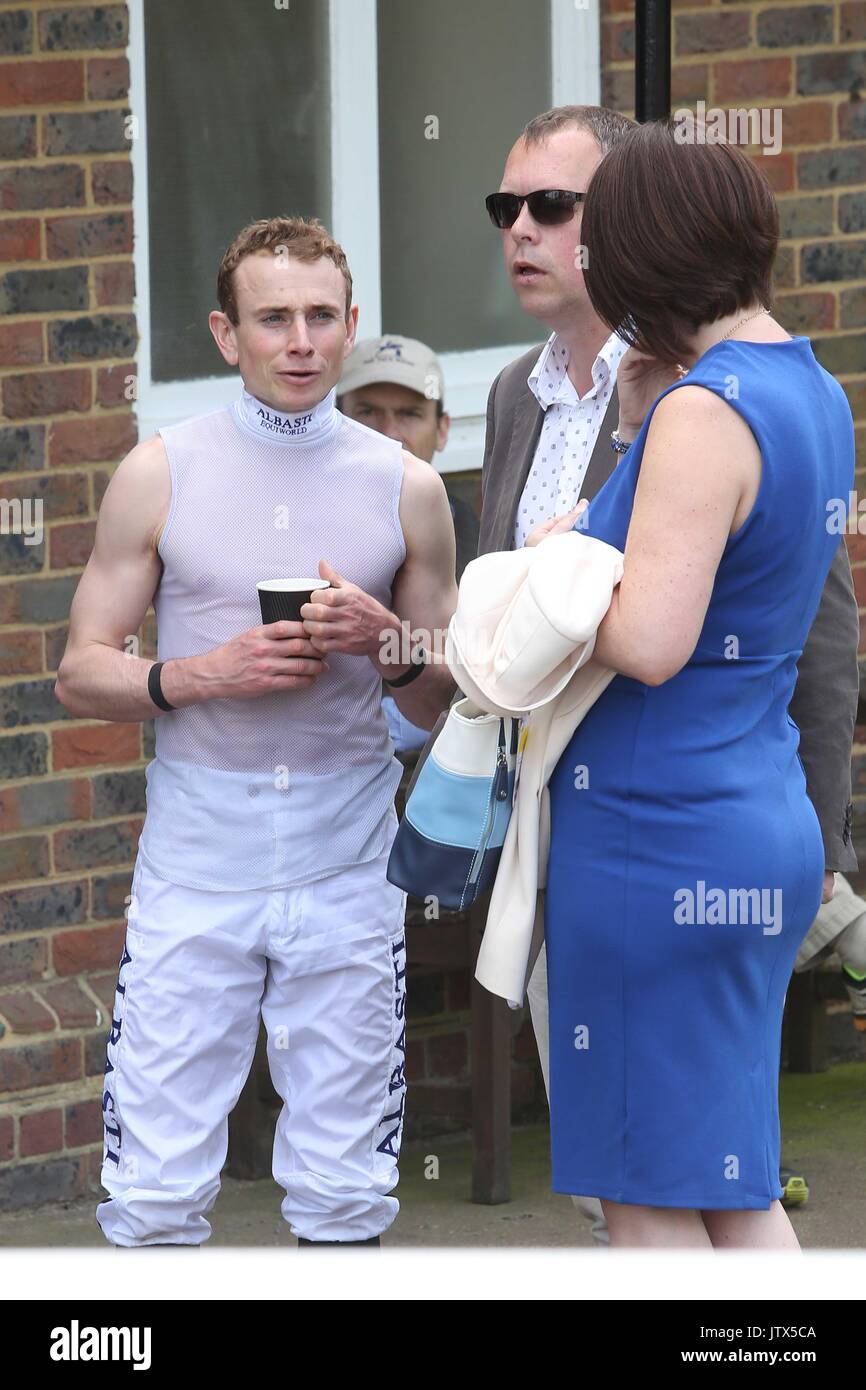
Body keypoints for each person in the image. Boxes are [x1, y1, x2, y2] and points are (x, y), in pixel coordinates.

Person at [416, 104, 859, 1247]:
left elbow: (650, 635)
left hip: (647, 836)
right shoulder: (806, 385)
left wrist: (549, 559)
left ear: (651, 250)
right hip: (745, 819)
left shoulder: (701, 413)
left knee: (646, 1203)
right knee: (729, 1182)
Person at [54, 216, 458, 1247]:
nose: (300, 341)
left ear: (350, 324)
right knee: (149, 1189)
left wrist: (387, 642)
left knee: (345, 1187)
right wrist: (198, 672)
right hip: (199, 850)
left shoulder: (405, 487)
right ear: (225, 336)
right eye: (272, 318)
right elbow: (80, 667)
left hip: (346, 851)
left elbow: (438, 702)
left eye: (322, 317)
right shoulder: (162, 469)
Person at [338, 334, 480, 752]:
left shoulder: (485, 543)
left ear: (442, 429)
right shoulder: (296, 528)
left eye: (410, 414)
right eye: (367, 412)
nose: (389, 434)